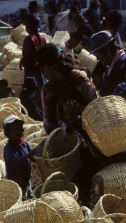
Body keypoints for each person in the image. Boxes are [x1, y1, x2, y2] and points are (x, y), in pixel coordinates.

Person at [37, 43, 101, 206]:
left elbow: (97, 107)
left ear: (53, 66)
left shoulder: (79, 80)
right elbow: (46, 116)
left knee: (88, 179)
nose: (42, 72)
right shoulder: (48, 90)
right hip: (65, 145)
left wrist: (79, 119)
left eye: (43, 68)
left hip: (88, 141)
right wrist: (49, 126)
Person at [3, 115, 34, 198]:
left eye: (19, 128)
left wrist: (36, 156)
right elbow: (13, 162)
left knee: (28, 196)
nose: (17, 131)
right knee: (20, 199)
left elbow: (32, 156)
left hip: (27, 180)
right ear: (7, 133)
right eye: (13, 129)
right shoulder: (8, 148)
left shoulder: (25, 144)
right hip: (16, 184)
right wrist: (26, 157)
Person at [91, 30, 126, 97]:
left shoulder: (123, 64)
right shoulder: (109, 65)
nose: (97, 59)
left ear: (107, 48)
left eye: (97, 55)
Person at [21, 14, 47, 103]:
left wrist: (21, 62)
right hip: (41, 71)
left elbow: (26, 57)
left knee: (33, 96)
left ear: (28, 27)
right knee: (42, 94)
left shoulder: (29, 39)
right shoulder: (43, 38)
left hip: (32, 71)